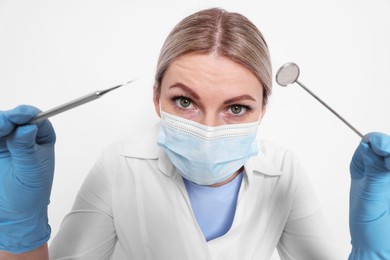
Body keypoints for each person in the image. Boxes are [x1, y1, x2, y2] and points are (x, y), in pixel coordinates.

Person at [0, 7, 389, 260]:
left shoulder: (282, 170)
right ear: (156, 98)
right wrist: (20, 230)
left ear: (263, 110)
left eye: (236, 108)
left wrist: (373, 252)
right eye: (185, 102)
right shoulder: (119, 165)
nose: (207, 130)